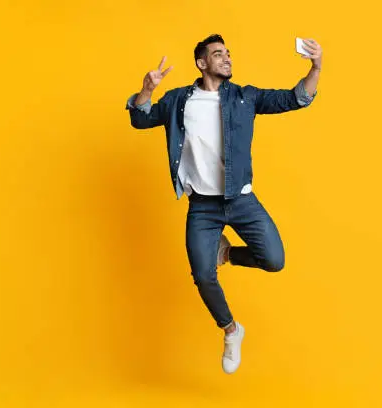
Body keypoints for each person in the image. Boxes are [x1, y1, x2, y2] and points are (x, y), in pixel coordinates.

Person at [125, 34, 322, 374]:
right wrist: (147, 89)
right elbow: (140, 119)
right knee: (202, 275)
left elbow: (296, 98)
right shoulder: (177, 101)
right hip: (202, 206)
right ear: (202, 63)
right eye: (218, 54)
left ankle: (227, 252)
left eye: (228, 54)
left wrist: (316, 67)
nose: (226, 58)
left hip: (241, 199)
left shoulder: (245, 97)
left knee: (274, 260)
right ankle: (231, 330)